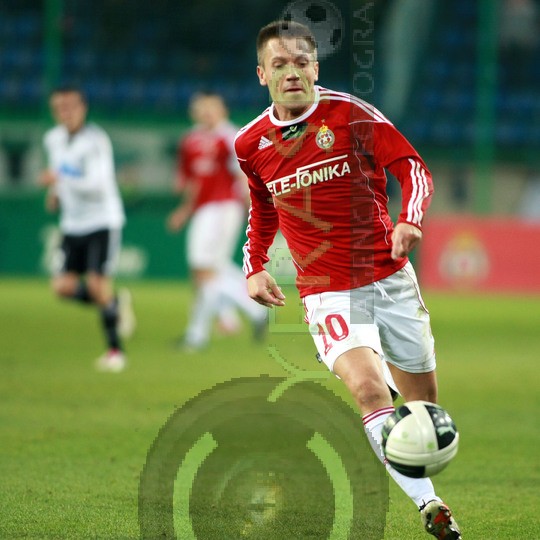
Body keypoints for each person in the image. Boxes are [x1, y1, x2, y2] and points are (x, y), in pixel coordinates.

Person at [234, 20, 461, 539]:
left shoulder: (352, 115)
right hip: (327, 290)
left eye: (301, 62)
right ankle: (431, 506)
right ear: (262, 74)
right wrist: (255, 265)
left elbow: (413, 167)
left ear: (316, 67)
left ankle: (399, 408)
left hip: (389, 279)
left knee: (424, 414)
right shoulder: (250, 143)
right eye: (279, 64)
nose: (291, 73)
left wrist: (410, 219)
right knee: (367, 390)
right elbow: (262, 206)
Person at [39, 86, 135, 372]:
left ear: (83, 108)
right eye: (59, 107)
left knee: (96, 285)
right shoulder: (53, 139)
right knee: (62, 288)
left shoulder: (95, 141)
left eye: (70, 106)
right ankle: (115, 304)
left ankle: (115, 352)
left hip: (101, 221)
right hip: (72, 224)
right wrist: (55, 193)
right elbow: (61, 175)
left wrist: (60, 178)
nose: (65, 112)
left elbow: (97, 184)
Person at [167, 92, 267, 351]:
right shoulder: (191, 140)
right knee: (209, 269)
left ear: (223, 110)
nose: (207, 112)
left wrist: (254, 212)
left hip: (224, 207)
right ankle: (250, 311)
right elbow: (194, 182)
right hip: (203, 210)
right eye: (202, 107)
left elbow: (243, 177)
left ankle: (199, 334)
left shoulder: (230, 137)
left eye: (212, 107)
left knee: (205, 269)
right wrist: (184, 210)